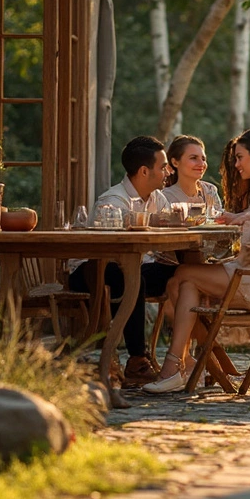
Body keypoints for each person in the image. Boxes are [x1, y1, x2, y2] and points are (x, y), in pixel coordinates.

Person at [142, 127, 250, 393]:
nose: (236, 164)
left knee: (184, 273)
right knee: (177, 285)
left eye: (240, 157)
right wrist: (236, 221)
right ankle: (180, 366)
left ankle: (175, 367)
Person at [67, 135, 175, 386]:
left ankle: (183, 358)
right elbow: (107, 250)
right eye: (163, 166)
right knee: (131, 279)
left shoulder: (157, 198)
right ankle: (137, 361)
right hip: (91, 271)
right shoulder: (112, 201)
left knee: (183, 274)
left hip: (134, 267)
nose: (167, 172)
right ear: (144, 171)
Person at [156, 134, 223, 217]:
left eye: (203, 159)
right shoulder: (164, 197)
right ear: (175, 162)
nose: (201, 164)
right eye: (193, 158)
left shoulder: (209, 190)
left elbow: (219, 220)